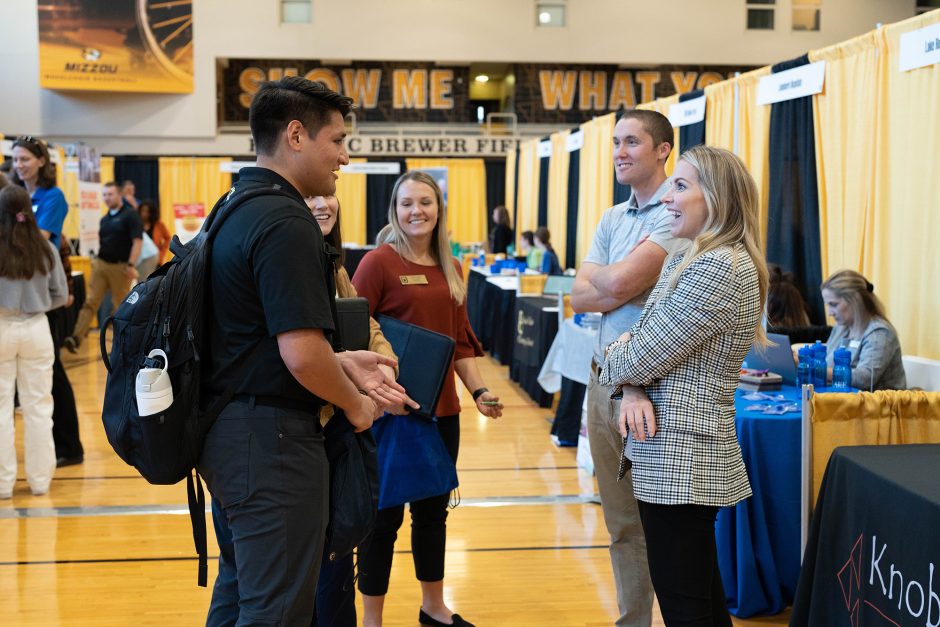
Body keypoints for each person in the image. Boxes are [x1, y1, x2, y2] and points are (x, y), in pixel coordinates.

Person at [199, 77, 408, 626]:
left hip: (231, 435)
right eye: (336, 139)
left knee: (241, 594)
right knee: (277, 611)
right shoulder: (285, 219)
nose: (344, 154)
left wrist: (340, 361)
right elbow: (300, 354)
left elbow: (250, 341)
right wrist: (356, 403)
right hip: (273, 445)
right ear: (296, 135)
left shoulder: (233, 206)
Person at [600, 145, 767, 626]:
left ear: (715, 198)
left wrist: (622, 363)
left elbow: (635, 351)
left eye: (681, 185)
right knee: (697, 596)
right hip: (671, 453)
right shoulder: (690, 258)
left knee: (684, 602)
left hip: (683, 457)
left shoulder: (717, 268)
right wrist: (630, 384)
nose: (668, 198)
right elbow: (637, 352)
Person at [352, 170, 504, 627]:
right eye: (406, 204)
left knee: (433, 515)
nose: (416, 211)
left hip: (442, 414)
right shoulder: (378, 263)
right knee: (381, 522)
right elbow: (354, 336)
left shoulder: (451, 267)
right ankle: (372, 620)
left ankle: (433, 608)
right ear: (394, 211)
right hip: (390, 415)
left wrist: (479, 390)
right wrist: (382, 393)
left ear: (439, 209)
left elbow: (458, 342)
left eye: (425, 202)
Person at [570, 108, 687, 627]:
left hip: (653, 386)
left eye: (632, 142)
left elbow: (611, 286)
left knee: (663, 524)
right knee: (620, 523)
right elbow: (580, 294)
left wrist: (608, 280)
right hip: (603, 381)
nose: (619, 151)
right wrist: (610, 281)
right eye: (616, 142)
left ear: (663, 149)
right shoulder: (612, 219)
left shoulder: (677, 214)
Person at [306, 193, 417, 627]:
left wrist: (385, 364)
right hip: (306, 436)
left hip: (338, 436)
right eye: (310, 194)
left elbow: (363, 322)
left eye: (326, 194)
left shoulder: (334, 264)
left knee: (335, 568)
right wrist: (358, 401)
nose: (321, 203)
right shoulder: (288, 259)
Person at [0, 184, 69, 498]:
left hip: (1, 327)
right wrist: (37, 303)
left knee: (1, 409)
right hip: (37, 328)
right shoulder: (46, 248)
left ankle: (3, 484)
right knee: (39, 407)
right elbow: (61, 295)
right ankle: (40, 482)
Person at [63, 182, 143, 352]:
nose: (107, 198)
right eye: (105, 195)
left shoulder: (130, 216)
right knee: (91, 301)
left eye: (110, 194)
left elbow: (137, 242)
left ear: (119, 195)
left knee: (120, 307)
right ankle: (75, 338)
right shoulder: (104, 220)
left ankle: (120, 346)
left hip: (120, 267)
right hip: (101, 264)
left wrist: (130, 264)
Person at [821, 269, 907, 391]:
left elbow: (864, 380)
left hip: (881, 408)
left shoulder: (880, 333)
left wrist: (816, 370)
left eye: (834, 304)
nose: (830, 313)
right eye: (828, 305)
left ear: (855, 300)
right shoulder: (841, 328)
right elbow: (828, 365)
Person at [11, 136, 68, 247]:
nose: (18, 165)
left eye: (24, 159)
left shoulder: (54, 196)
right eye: (15, 160)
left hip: (40, 262)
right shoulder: (16, 194)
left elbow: (41, 238)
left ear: (41, 161)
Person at [137, 200, 171, 265]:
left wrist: (161, 253)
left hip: (155, 259)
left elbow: (168, 238)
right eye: (143, 211)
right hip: (140, 260)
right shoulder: (136, 224)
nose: (144, 214)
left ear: (152, 213)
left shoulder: (159, 224)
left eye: (147, 211)